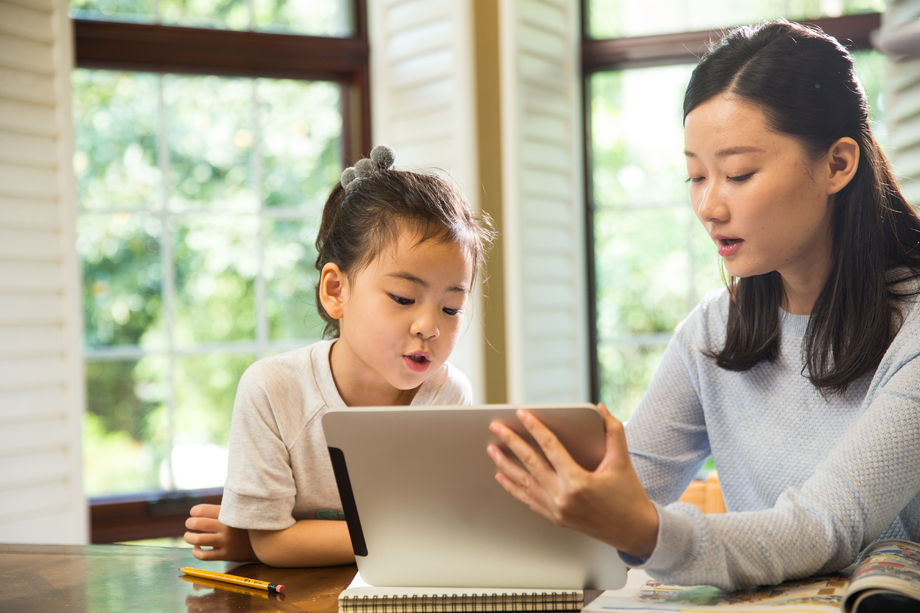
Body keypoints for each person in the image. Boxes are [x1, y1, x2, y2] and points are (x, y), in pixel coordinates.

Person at [487, 20, 920, 591]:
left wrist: (647, 531)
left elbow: (827, 525)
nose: (709, 206)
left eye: (738, 174)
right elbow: (625, 492)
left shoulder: (911, 330)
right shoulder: (714, 331)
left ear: (838, 164)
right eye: (696, 175)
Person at [184, 145, 494, 566]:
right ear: (336, 291)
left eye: (451, 308)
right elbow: (274, 544)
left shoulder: (448, 393)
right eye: (404, 298)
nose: (429, 327)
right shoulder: (273, 390)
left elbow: (446, 529)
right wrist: (268, 543)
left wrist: (268, 542)